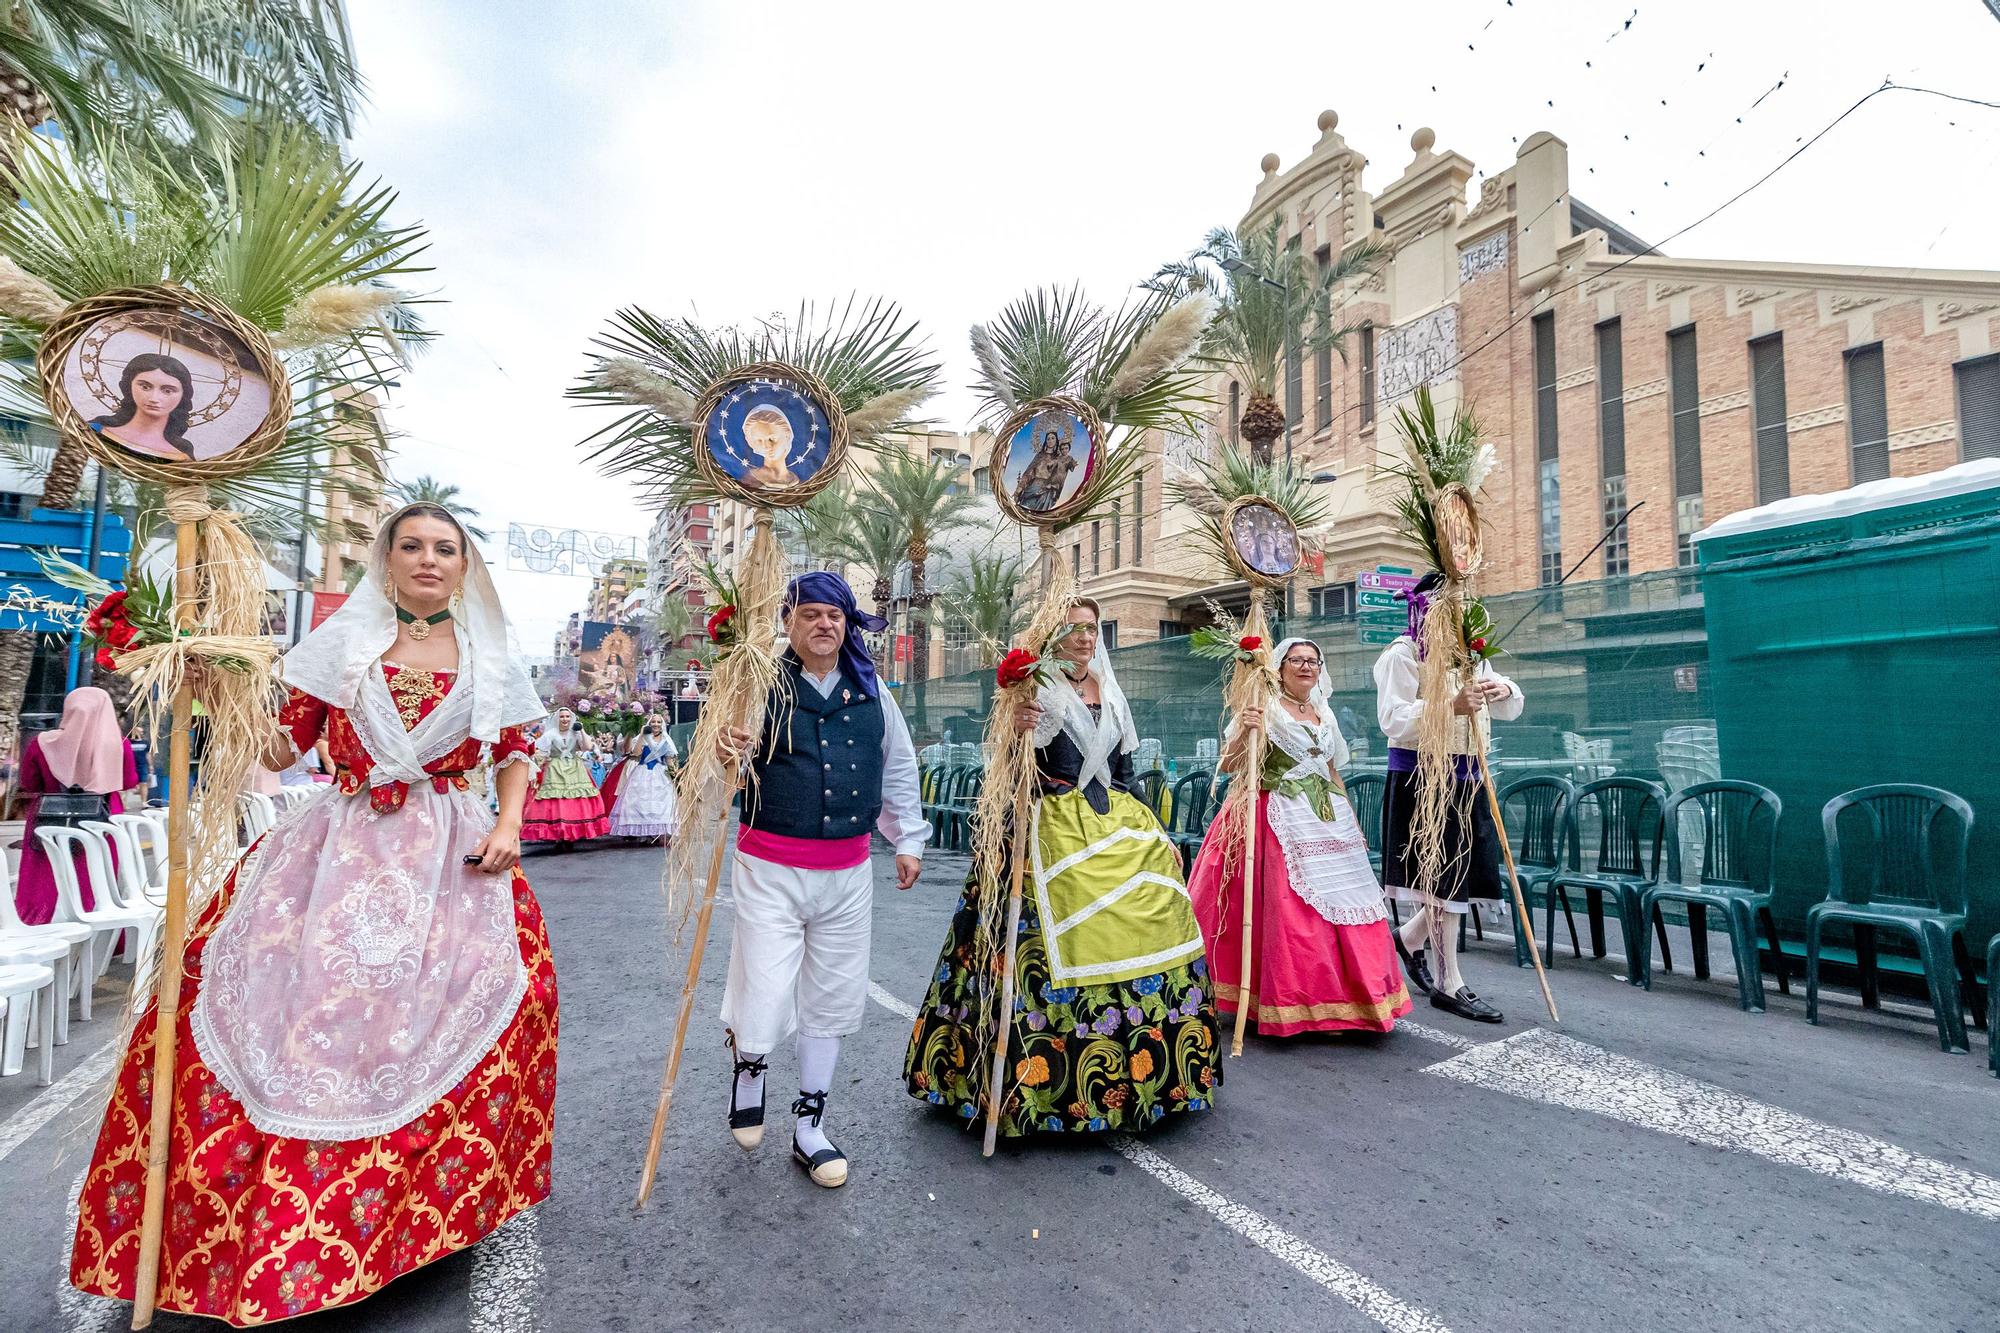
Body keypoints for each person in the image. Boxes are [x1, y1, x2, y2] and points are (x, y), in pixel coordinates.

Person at [69, 502, 554, 1326]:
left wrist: (508, 824)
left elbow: (515, 753)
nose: (429, 560)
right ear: (386, 558)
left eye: (446, 548)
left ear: (465, 566)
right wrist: (212, 687)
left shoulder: (493, 657)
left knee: (512, 1003)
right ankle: (278, 1230)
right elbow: (276, 749)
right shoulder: (337, 648)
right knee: (294, 1018)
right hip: (338, 850)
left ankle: (426, 1211)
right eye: (413, 546)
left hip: (452, 856)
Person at [905, 598, 1221, 1136]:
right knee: (1048, 934)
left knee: (1157, 914)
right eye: (1073, 629)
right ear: (1053, 636)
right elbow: (1005, 770)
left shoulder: (1113, 695)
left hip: (1116, 819)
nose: (1084, 638)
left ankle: (1152, 1076)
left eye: (1092, 630)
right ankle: (1041, 1085)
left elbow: (1126, 773)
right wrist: (1016, 731)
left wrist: (1156, 831)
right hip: (1049, 822)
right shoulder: (1033, 692)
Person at [715, 571, 926, 1188]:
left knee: (833, 997)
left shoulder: (873, 692)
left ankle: (810, 1126)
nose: (823, 624)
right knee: (766, 984)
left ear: (848, 623)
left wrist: (907, 838)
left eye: (834, 615)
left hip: (847, 870)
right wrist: (725, 751)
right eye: (809, 613)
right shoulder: (756, 685)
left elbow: (898, 765)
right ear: (788, 622)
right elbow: (718, 770)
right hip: (768, 867)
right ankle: (750, 1069)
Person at [1188, 638, 1410, 1036]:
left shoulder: (1324, 712)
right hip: (1273, 813)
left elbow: (1330, 770)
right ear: (1280, 667)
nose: (1306, 667)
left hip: (1325, 816)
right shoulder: (1264, 707)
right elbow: (1228, 764)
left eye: (1313, 660)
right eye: (1297, 661)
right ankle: (1290, 999)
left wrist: (1350, 818)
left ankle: (1343, 999)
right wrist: (1246, 732)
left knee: (1345, 899)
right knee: (1288, 910)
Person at [1374, 571, 1524, 1024]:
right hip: (1422, 780)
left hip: (1468, 777)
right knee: (1442, 882)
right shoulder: (1402, 654)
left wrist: (1503, 690)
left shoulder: (1471, 655)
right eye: (1448, 609)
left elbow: (1506, 703)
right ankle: (1448, 981)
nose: (1457, 617)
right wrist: (1447, 706)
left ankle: (1407, 938)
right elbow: (1393, 720)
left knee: (1461, 878)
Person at [12, 686, 139, 925]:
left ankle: (37, 921)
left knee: (43, 875)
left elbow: (29, 783)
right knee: (94, 875)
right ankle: (97, 926)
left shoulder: (42, 743)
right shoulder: (118, 745)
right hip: (102, 817)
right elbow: (129, 781)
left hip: (49, 818)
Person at [521, 706, 608, 848]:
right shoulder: (551, 734)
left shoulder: (576, 732)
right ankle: (559, 835)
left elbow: (587, 747)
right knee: (557, 800)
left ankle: (572, 833)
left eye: (567, 716)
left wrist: (581, 729)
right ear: (557, 719)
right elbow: (541, 752)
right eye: (562, 717)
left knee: (575, 800)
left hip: (575, 768)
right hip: (555, 768)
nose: (565, 719)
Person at [88, 353, 198, 460]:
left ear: (183, 396)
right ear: (129, 386)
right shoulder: (94, 430)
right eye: (145, 387)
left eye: (167, 391)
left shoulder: (180, 457)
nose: (154, 398)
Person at [609, 714, 678, 844]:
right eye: (653, 722)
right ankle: (644, 833)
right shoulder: (642, 738)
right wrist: (642, 734)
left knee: (660, 803)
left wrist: (675, 776)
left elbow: (669, 760)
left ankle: (659, 833)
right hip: (642, 772)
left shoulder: (666, 740)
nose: (656, 724)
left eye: (658, 722)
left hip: (660, 775)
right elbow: (635, 753)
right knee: (640, 802)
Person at [740, 405, 800, 487]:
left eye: (772, 439)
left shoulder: (797, 481)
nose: (766, 446)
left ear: (787, 435)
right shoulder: (750, 480)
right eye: (759, 440)